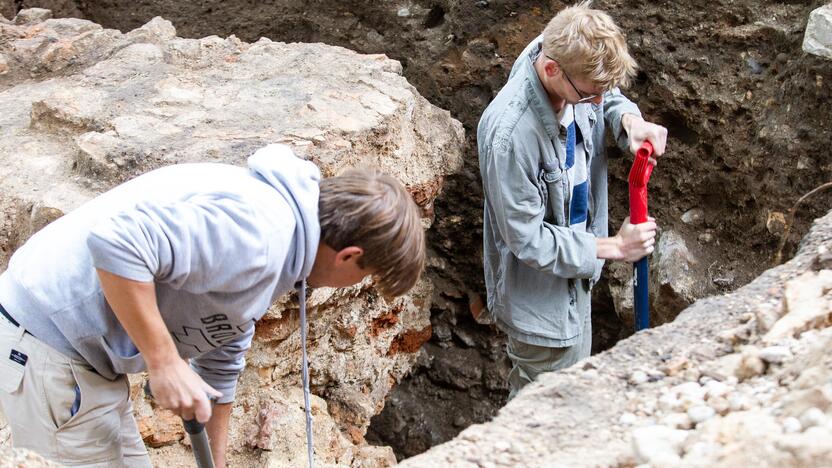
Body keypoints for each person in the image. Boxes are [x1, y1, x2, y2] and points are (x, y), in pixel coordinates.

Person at [0, 144, 425, 467]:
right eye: (366, 275)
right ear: (349, 255)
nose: (356, 283)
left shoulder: (284, 249)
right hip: (48, 342)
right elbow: (117, 243)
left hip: (78, 358)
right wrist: (165, 362)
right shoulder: (260, 232)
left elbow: (223, 352)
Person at [477, 1, 668, 398]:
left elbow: (606, 93)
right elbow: (526, 238)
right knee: (543, 407)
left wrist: (628, 120)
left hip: (575, 278)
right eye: (589, 96)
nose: (597, 102)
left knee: (571, 388)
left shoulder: (559, 53)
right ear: (551, 70)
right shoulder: (510, 136)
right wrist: (614, 246)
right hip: (541, 304)